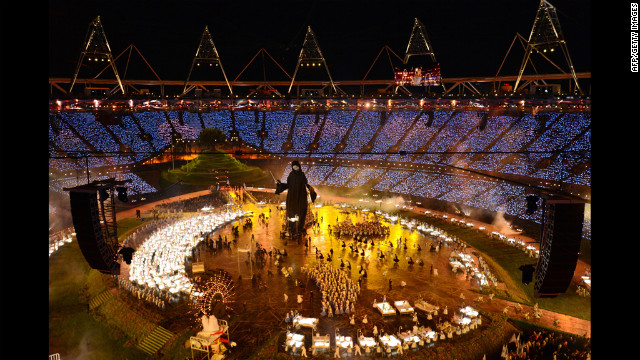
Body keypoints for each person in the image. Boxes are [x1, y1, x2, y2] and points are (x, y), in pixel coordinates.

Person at [275, 161, 317, 235]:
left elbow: (306, 185)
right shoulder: (291, 175)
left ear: (299, 167)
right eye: (294, 167)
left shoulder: (302, 175)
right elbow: (288, 185)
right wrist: (279, 184)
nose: (295, 168)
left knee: (301, 212)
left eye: (296, 167)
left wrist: (312, 194)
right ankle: (291, 228)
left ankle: (299, 229)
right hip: (292, 197)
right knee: (291, 212)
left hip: (301, 197)